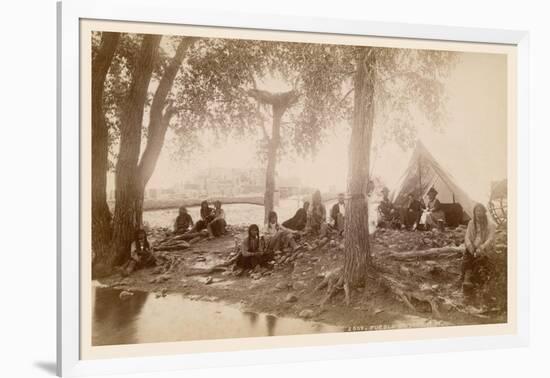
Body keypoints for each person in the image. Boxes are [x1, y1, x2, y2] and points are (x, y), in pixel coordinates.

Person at [461, 203, 496, 291]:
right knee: (468, 255)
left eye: (480, 211)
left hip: (485, 247)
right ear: (474, 212)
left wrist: (482, 247)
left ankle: (483, 281)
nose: (478, 213)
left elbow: (490, 239)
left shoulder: (490, 224)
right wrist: (470, 246)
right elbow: (467, 236)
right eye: (477, 211)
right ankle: (467, 278)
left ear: (484, 212)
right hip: (474, 246)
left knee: (482, 261)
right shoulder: (471, 223)